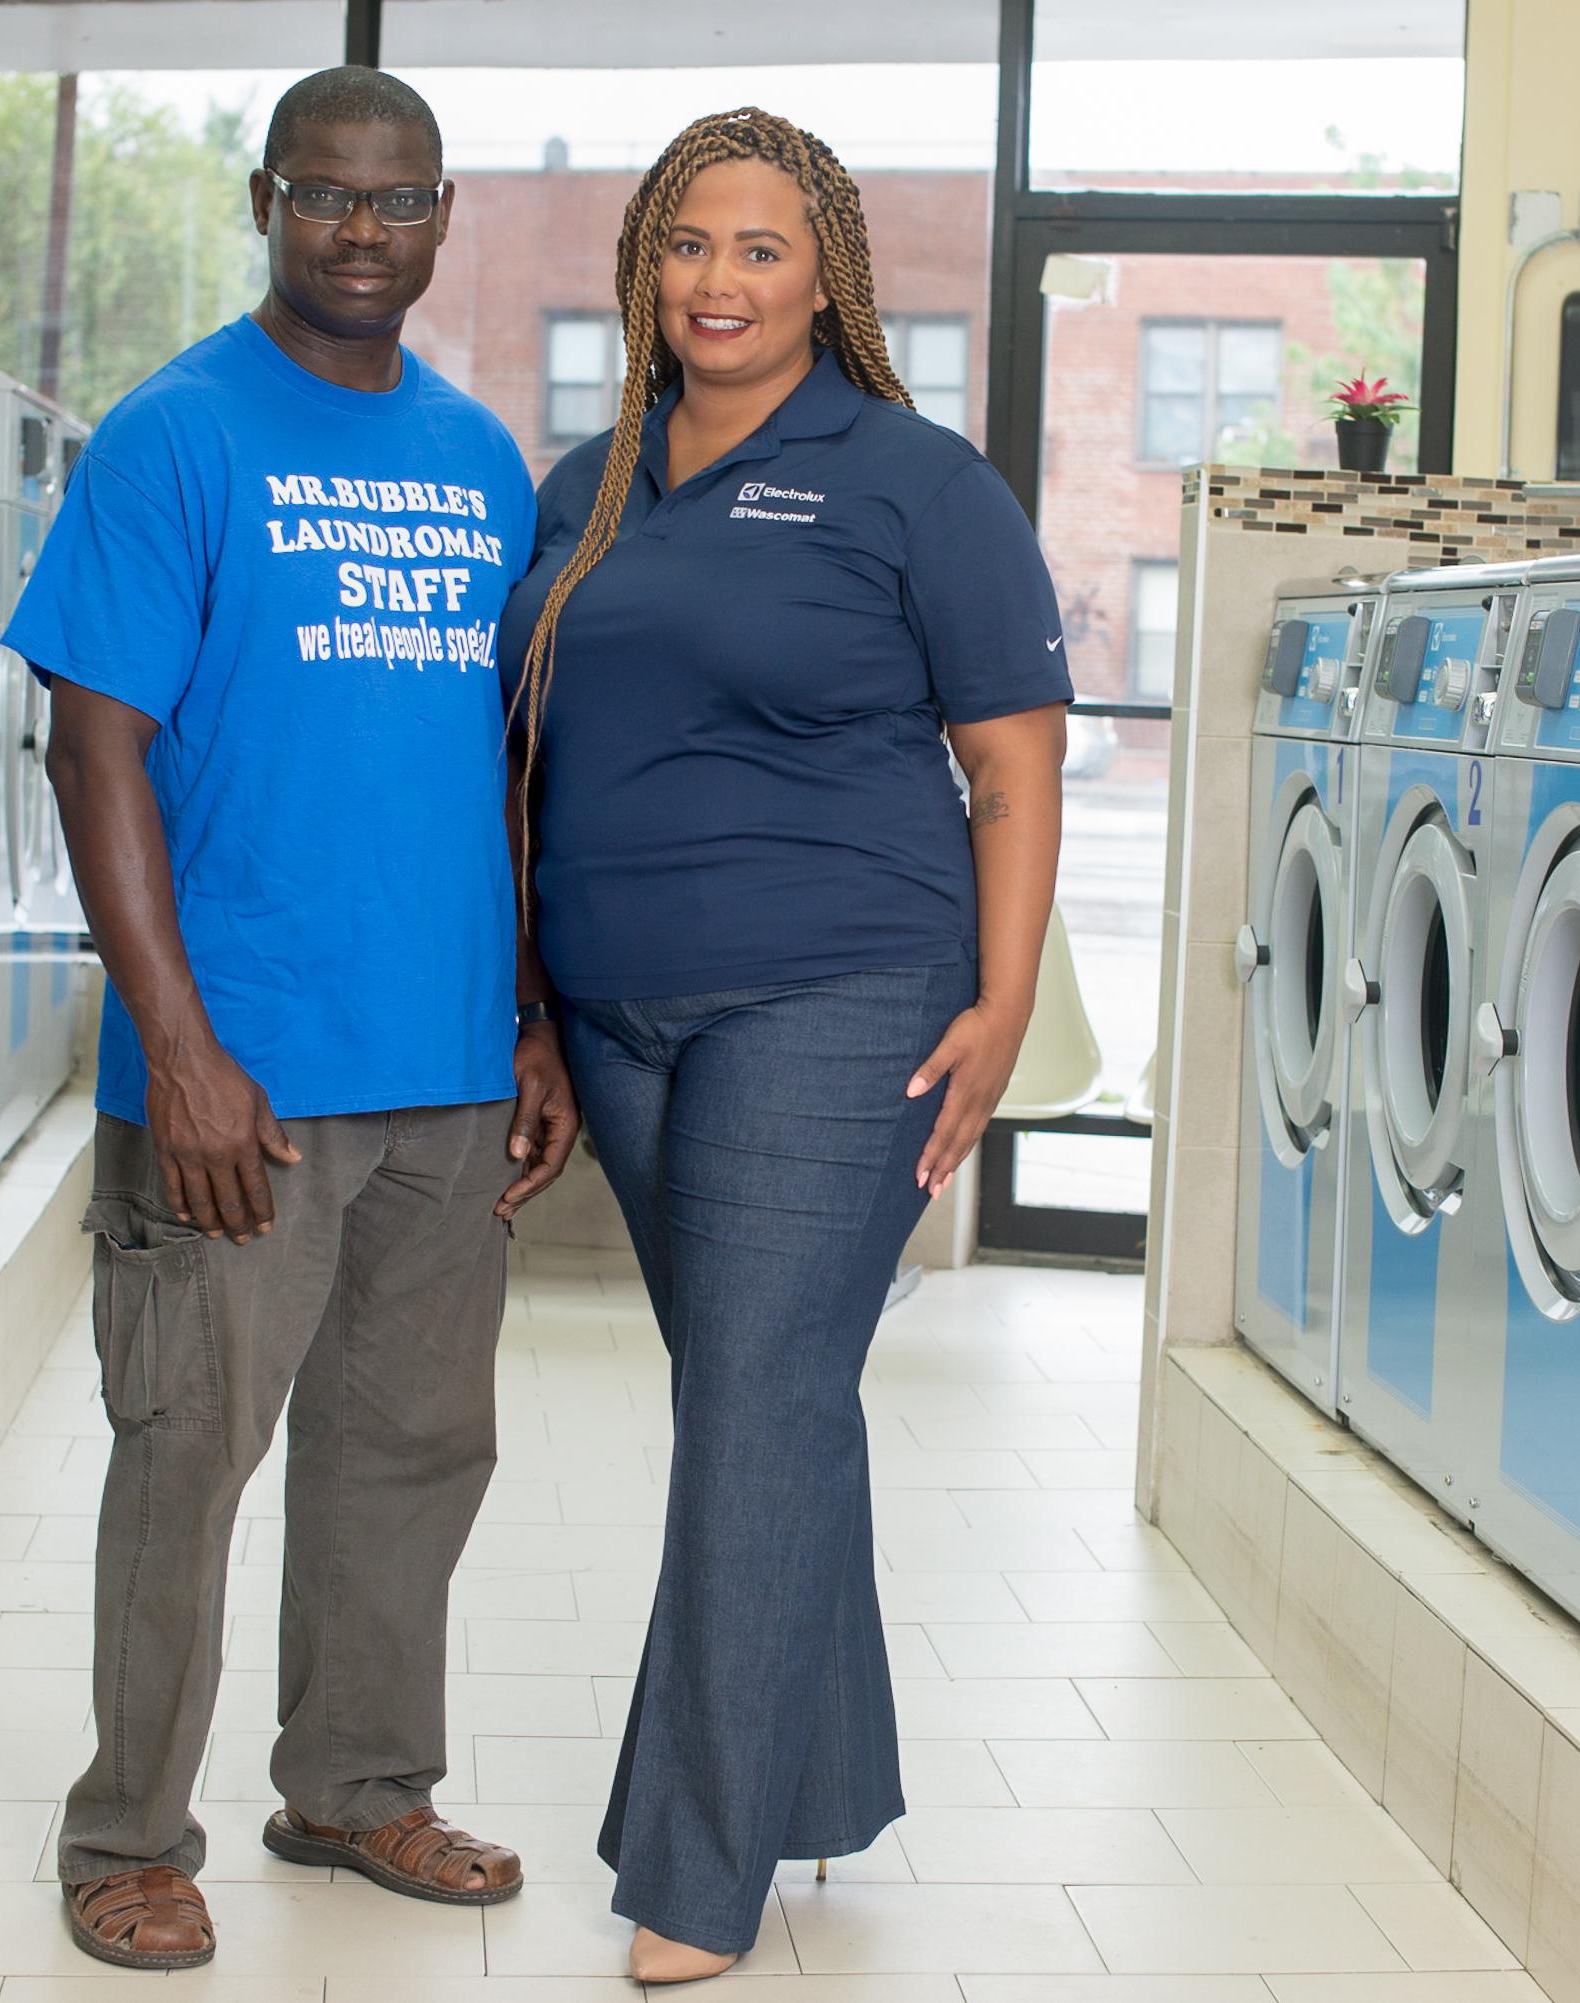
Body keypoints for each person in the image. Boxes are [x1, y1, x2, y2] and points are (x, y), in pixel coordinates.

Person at [4, 66, 579, 1972]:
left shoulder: (480, 459)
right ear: (267, 202)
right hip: (237, 1073)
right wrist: (176, 1048)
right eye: (325, 194)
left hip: (444, 1064)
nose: (361, 230)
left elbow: (502, 768)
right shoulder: (175, 435)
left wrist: (531, 1018)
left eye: (399, 199)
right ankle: (124, 1835)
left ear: (442, 218)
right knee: (187, 1454)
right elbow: (93, 747)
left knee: (410, 1452)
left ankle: (355, 1788)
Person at [499, 107, 1071, 1983]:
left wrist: (1000, 1005)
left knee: (748, 1401)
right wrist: (539, 1012)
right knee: (774, 1396)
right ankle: (812, 1772)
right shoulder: (587, 486)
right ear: (641, 270)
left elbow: (1014, 762)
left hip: (838, 998)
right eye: (687, 244)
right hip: (621, 1015)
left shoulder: (914, 480)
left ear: (827, 275)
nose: (719, 281)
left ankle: (697, 1873)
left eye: (760, 248)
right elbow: (533, 757)